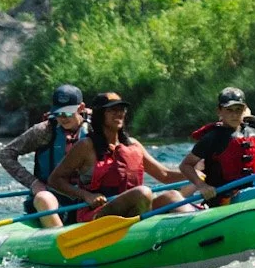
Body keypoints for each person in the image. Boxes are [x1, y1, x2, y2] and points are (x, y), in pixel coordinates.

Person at [50, 91, 190, 223]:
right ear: (100, 115)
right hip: (97, 214)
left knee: (172, 196)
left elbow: (165, 175)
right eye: (112, 110)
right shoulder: (86, 146)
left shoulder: (133, 145)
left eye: (121, 109)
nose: (119, 114)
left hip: (135, 208)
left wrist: (198, 173)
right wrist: (86, 195)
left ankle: (196, 227)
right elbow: (55, 179)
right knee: (143, 192)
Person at [0, 84, 89, 229]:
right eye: (58, 113)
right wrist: (33, 183)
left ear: (81, 108)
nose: (63, 118)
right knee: (43, 198)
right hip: (53, 196)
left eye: (68, 113)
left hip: (86, 196)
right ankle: (58, 239)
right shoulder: (44, 131)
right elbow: (5, 154)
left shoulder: (95, 129)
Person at [179, 87, 255, 204]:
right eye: (229, 110)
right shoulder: (212, 138)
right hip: (224, 199)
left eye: (238, 109)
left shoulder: (252, 133)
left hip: (251, 191)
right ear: (219, 111)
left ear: (244, 110)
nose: (234, 114)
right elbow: (186, 165)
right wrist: (201, 185)